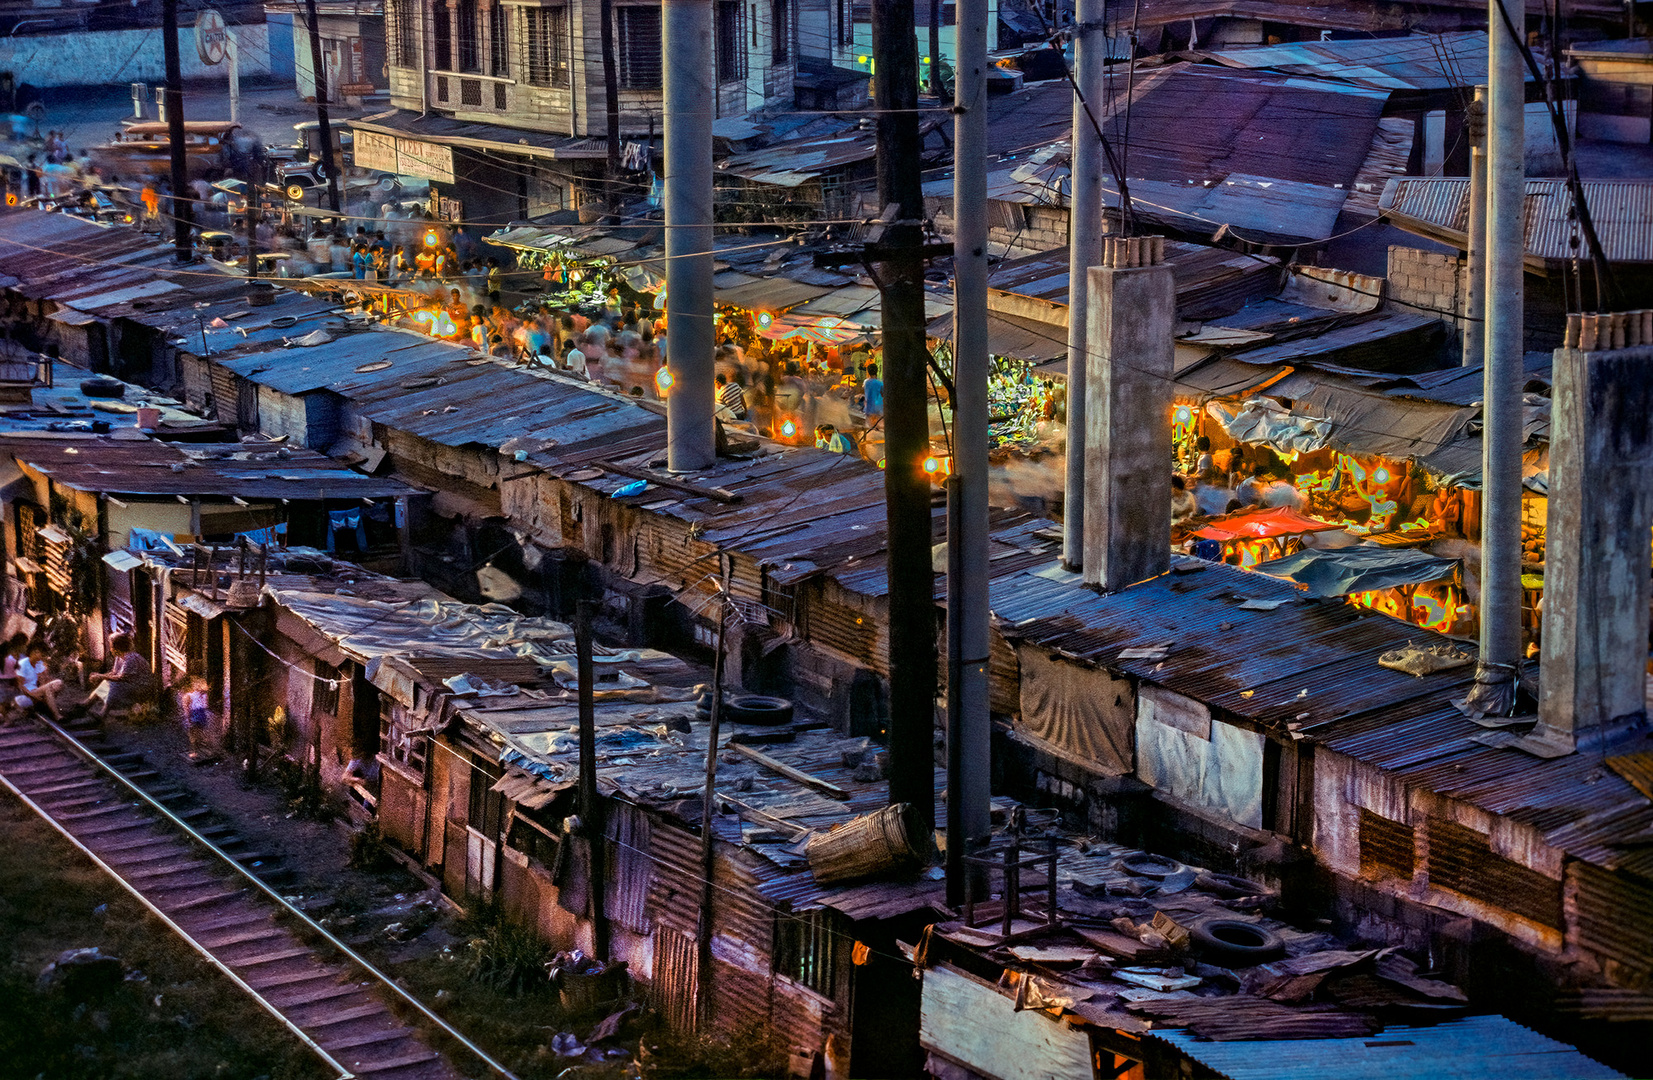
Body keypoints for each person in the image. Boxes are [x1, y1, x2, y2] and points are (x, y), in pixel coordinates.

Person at [87, 633, 152, 719]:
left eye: (111, 646)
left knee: (115, 685)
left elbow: (121, 678)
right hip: (131, 684)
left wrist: (100, 676)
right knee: (107, 683)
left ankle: (103, 714)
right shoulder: (119, 657)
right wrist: (99, 675)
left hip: (141, 687)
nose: (111, 649)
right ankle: (87, 703)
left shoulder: (131, 658)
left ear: (117, 647)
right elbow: (114, 673)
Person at [18, 641, 63, 720]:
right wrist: (32, 695)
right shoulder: (22, 664)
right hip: (26, 694)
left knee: (58, 683)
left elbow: (45, 681)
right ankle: (57, 715)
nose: (41, 655)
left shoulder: (39, 664)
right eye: (39, 652)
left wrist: (45, 675)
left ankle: (46, 706)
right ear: (33, 652)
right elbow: (20, 686)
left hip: (37, 690)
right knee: (47, 688)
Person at [181, 676, 211, 759]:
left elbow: (187, 709)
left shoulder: (190, 696)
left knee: (194, 735)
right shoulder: (201, 695)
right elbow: (205, 706)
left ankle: (195, 752)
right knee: (197, 734)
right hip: (200, 715)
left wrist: (188, 719)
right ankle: (197, 751)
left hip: (196, 715)